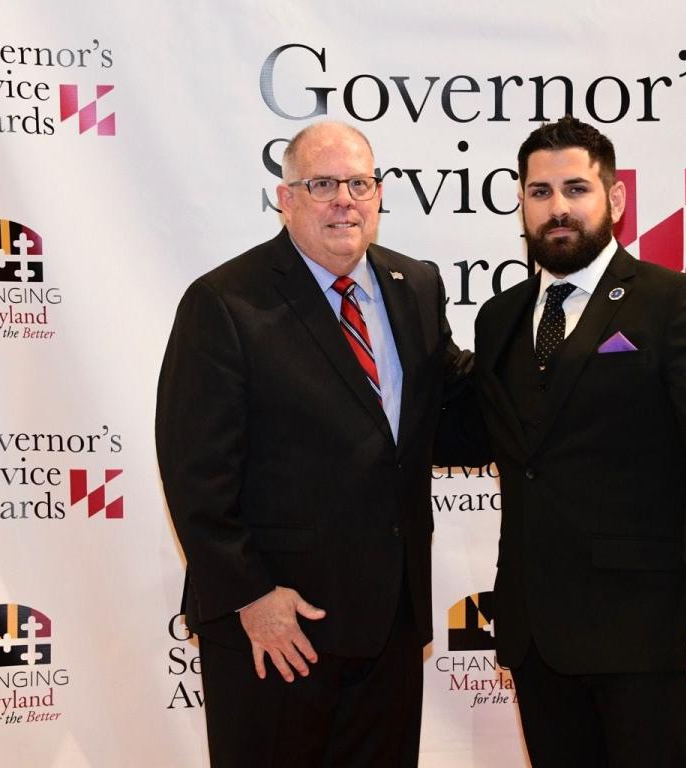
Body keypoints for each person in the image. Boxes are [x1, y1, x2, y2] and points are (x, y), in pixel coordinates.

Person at [438, 116, 686, 767]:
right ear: (521, 203)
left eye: (576, 188)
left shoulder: (678, 305)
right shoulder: (502, 316)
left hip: (647, 640)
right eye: (539, 192)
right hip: (537, 640)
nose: (557, 207)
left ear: (614, 200)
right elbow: (480, 432)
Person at [156, 121, 469, 767]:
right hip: (277, 627)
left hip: (389, 623)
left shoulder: (417, 286)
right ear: (285, 197)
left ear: (378, 195)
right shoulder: (226, 302)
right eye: (322, 184)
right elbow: (195, 473)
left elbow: (454, 417)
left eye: (359, 183)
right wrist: (251, 595)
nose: (343, 200)